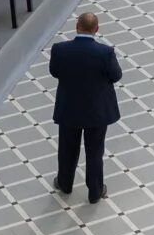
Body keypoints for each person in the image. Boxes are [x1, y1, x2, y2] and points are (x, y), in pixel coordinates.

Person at [49, 13, 122, 204]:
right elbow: (116, 76)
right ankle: (95, 191)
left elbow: (54, 72)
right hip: (97, 112)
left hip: (69, 108)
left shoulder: (60, 49)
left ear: (76, 27)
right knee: (95, 152)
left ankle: (65, 183)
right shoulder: (105, 53)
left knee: (66, 149)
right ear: (97, 29)